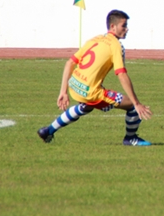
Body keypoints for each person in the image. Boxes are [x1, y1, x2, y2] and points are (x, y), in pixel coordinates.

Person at [37, 10, 153, 146]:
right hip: (90, 91)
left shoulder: (94, 39)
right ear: (112, 26)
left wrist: (63, 92)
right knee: (132, 106)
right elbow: (121, 74)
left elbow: (70, 62)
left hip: (74, 84)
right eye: (124, 25)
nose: (127, 29)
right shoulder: (116, 45)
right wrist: (137, 103)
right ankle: (130, 138)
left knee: (86, 106)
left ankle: (48, 130)